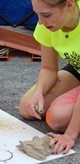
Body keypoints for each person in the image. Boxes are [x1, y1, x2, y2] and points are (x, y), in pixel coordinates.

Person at [19, 0, 80, 155]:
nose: (40, 22)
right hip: (77, 68)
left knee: (57, 118)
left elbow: (68, 132)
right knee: (28, 107)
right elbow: (48, 68)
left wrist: (70, 135)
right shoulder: (45, 25)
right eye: (37, 14)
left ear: (70, 5)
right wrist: (39, 91)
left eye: (46, 15)